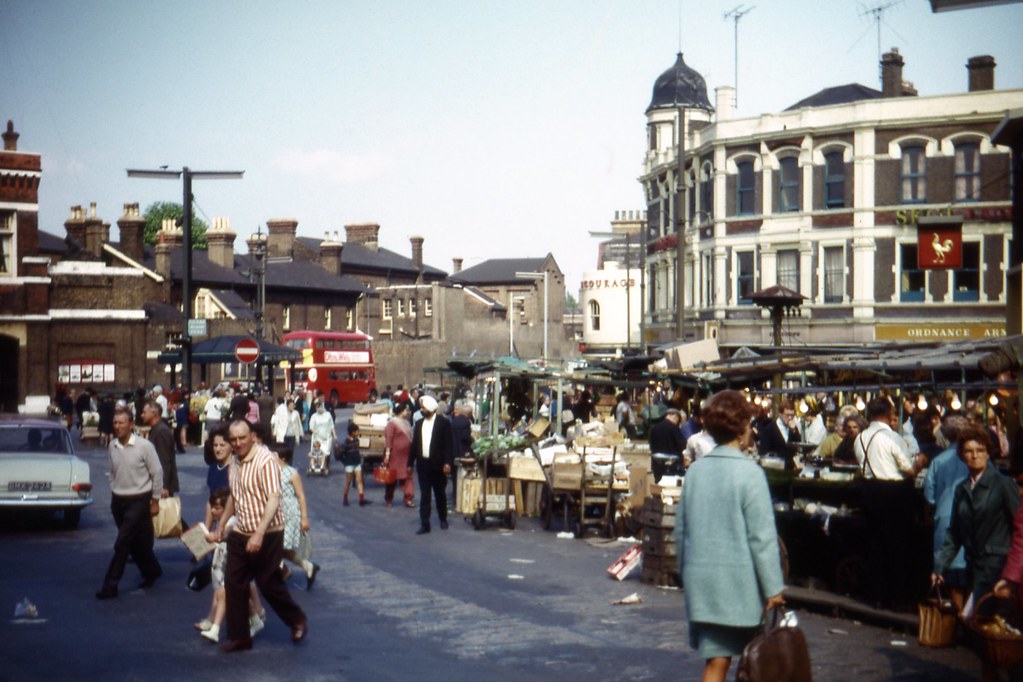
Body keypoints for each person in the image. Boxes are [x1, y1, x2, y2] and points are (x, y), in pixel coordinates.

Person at [675, 390, 785, 682]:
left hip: (704, 585)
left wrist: (686, 574)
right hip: (741, 589)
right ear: (741, 429)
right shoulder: (750, 474)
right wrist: (773, 588)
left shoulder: (695, 472)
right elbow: (762, 538)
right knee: (755, 663)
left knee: (716, 662)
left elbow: (681, 530)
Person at [212, 419, 307, 652]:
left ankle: (296, 619)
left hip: (268, 532)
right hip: (241, 531)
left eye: (242, 438)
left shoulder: (266, 461)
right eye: (233, 440)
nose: (237, 443)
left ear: (252, 436)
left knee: (268, 583)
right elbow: (234, 496)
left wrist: (259, 534)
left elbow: (274, 498)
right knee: (234, 583)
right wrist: (221, 525)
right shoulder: (234, 461)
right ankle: (240, 637)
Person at [933, 425, 1019, 614]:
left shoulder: (1002, 485)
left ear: (989, 454)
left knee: (977, 618)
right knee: (978, 624)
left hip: (998, 568)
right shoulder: (962, 488)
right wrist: (940, 567)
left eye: (980, 450)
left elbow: (1019, 527)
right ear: (961, 456)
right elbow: (955, 532)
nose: (975, 455)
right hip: (974, 566)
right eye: (969, 451)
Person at [853, 396, 927, 610]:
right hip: (894, 494)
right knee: (897, 546)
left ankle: (878, 596)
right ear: (887, 415)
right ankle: (897, 598)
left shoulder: (860, 438)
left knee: (876, 545)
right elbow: (910, 471)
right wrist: (921, 461)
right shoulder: (893, 438)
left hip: (869, 491)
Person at [95, 407, 164, 599]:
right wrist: (113, 490)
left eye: (122, 423)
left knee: (122, 543)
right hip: (118, 500)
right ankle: (152, 570)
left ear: (131, 424)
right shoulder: (112, 446)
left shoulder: (144, 446)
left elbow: (157, 473)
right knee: (137, 542)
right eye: (115, 423)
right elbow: (112, 472)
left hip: (139, 500)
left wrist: (155, 500)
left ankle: (110, 586)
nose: (117, 427)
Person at [923, 415, 970, 611]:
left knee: (950, 572)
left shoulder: (939, 461)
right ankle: (966, 617)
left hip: (945, 518)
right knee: (967, 571)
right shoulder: (974, 460)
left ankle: (958, 615)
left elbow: (929, 495)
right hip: (969, 519)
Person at [271, 444, 320, 589]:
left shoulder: (292, 473)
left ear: (283, 458)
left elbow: (300, 495)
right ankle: (306, 566)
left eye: (274, 454)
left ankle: (283, 571)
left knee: (278, 545)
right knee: (279, 547)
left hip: (288, 512)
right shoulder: (269, 472)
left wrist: (304, 517)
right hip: (274, 512)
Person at [409, 395, 454, 535]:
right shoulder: (419, 423)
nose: (421, 410)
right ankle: (425, 523)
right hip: (423, 465)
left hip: (438, 465)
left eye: (423, 408)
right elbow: (415, 445)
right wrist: (410, 463)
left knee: (440, 493)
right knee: (425, 495)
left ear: (430, 409)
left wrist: (447, 462)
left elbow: (448, 445)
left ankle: (443, 518)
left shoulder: (443, 423)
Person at [142, 400, 179, 500]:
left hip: (161, 485)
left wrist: (164, 486)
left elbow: (165, 460)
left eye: (144, 412)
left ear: (153, 413)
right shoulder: (156, 429)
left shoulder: (161, 431)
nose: (142, 415)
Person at [383, 403, 415, 508]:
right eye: (406, 410)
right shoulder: (392, 423)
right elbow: (389, 439)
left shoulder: (406, 423)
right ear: (401, 412)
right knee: (392, 477)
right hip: (395, 455)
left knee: (407, 476)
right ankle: (389, 499)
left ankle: (408, 498)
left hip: (406, 455)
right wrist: (387, 454)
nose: (407, 412)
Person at [757, 400, 801, 470]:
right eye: (787, 415)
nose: (790, 418)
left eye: (792, 415)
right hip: (775, 468)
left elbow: (798, 444)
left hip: (790, 469)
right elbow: (763, 451)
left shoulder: (793, 428)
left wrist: (794, 431)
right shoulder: (769, 429)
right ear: (780, 414)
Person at [648, 408, 684, 482]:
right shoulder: (674, 428)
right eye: (678, 420)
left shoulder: (654, 428)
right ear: (675, 416)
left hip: (657, 464)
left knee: (658, 485)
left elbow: (651, 445)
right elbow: (682, 444)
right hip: (672, 465)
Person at [338, 422, 369, 507]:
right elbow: (341, 454)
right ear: (352, 432)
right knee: (348, 482)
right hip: (349, 464)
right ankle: (345, 498)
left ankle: (361, 499)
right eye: (356, 431)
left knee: (359, 481)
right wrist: (345, 462)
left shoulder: (356, 440)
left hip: (356, 463)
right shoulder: (346, 442)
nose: (357, 433)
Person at [307, 400, 336, 475]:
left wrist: (334, 434)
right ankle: (316, 466)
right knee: (317, 452)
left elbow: (331, 425)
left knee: (326, 452)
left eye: (320, 407)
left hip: (326, 436)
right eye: (317, 408)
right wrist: (314, 431)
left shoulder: (328, 414)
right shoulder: (314, 416)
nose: (319, 409)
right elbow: (310, 426)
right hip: (317, 437)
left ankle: (325, 466)